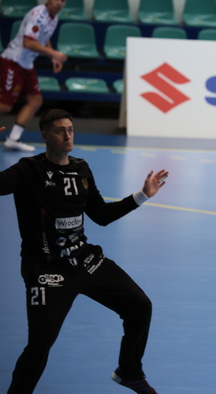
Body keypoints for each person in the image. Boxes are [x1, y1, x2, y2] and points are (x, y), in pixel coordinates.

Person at [0, 109, 168, 394]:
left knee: (140, 306)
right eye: (59, 130)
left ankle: (129, 371)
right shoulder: (28, 170)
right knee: (40, 345)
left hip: (85, 261)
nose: (67, 135)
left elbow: (101, 215)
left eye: (70, 129)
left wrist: (141, 195)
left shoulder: (81, 168)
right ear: (44, 136)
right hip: (47, 270)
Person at [0, 0, 68, 152]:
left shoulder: (53, 18)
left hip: (27, 64)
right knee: (5, 106)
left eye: (63, 0)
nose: (59, 3)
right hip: (13, 61)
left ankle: (13, 139)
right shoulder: (38, 15)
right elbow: (28, 43)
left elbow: (44, 36)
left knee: (35, 100)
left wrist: (53, 57)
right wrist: (54, 53)